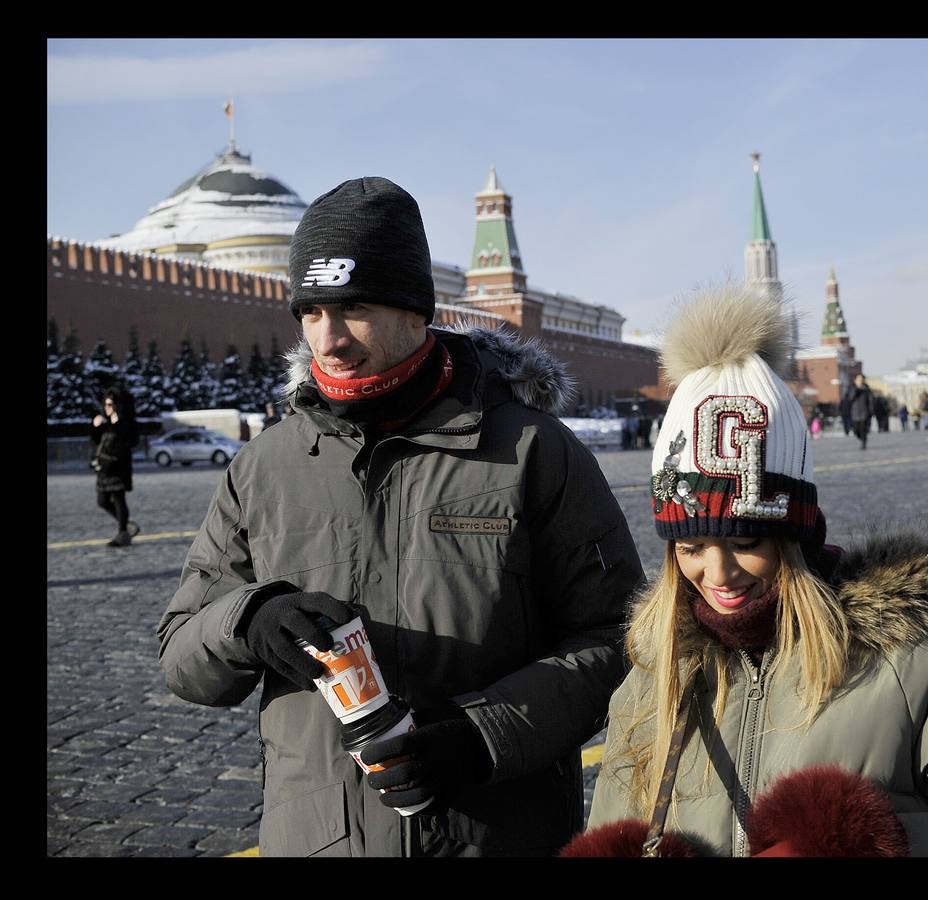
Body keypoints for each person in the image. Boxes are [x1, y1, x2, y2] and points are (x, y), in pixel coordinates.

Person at [156, 177, 645, 857]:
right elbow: (183, 660)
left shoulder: (532, 450)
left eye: (354, 307)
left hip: (496, 834)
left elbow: (622, 637)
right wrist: (248, 621)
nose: (329, 340)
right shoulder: (263, 467)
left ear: (417, 311)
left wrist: (485, 734)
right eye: (310, 312)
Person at [560, 287, 928, 857]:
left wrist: (872, 845)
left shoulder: (914, 655)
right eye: (691, 546)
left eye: (747, 540)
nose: (718, 572)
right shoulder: (655, 668)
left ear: (795, 533)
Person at [90, 386, 140, 547]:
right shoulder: (106, 422)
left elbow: (131, 441)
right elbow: (96, 440)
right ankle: (127, 525)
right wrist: (95, 426)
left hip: (118, 469)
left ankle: (122, 534)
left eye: (110, 405)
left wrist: (116, 424)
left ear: (117, 405)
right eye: (105, 404)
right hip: (104, 469)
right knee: (102, 501)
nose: (106, 408)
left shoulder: (125, 423)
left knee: (119, 500)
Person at [841, 373, 875, 450]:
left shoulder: (867, 389)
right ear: (855, 380)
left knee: (863, 429)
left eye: (861, 379)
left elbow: (871, 400)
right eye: (858, 379)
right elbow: (850, 398)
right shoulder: (852, 388)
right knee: (856, 430)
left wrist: (871, 411)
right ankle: (862, 439)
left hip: (865, 412)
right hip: (855, 413)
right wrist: (856, 388)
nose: (860, 381)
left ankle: (863, 442)